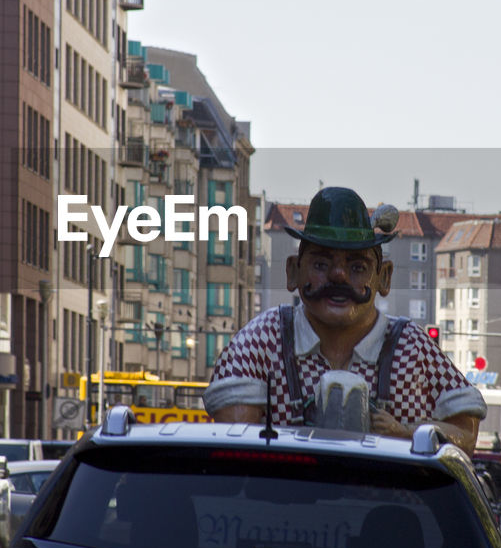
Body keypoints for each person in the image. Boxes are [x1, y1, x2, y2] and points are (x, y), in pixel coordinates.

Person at [203, 186, 486, 455]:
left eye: (357, 267)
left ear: (384, 277)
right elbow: (237, 441)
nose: (339, 276)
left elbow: (466, 435)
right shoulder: (259, 343)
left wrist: (406, 431)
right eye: (321, 264)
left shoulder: (413, 349)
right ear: (293, 272)